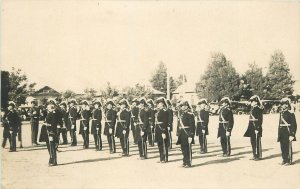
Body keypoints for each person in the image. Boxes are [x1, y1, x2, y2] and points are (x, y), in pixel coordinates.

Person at [278, 98, 297, 166]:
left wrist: (292, 134)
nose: (283, 106)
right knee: (282, 147)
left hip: (288, 132)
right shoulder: (281, 113)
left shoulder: (290, 113)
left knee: (287, 146)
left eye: (285, 104)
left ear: (288, 105)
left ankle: (288, 160)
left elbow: (294, 124)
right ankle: (284, 159)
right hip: (282, 132)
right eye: (282, 104)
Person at [244, 95, 263, 160]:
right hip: (251, 127)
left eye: (252, 102)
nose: (251, 103)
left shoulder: (258, 109)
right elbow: (246, 109)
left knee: (257, 142)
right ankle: (254, 155)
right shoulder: (252, 108)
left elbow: (260, 119)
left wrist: (257, 128)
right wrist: (248, 104)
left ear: (256, 102)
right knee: (252, 142)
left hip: (256, 127)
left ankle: (258, 156)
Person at [176, 100, 195, 168]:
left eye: (184, 106)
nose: (183, 107)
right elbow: (178, 125)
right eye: (182, 106)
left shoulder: (190, 114)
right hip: (182, 133)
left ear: (187, 106)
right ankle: (184, 161)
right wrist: (178, 133)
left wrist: (191, 135)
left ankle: (188, 162)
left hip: (187, 133)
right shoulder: (181, 114)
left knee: (187, 148)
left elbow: (192, 126)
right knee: (183, 148)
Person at [39, 101, 58, 166]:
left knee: (51, 147)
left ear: (51, 108)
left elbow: (53, 125)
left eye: (48, 107)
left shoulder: (53, 114)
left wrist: (51, 134)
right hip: (47, 132)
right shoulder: (50, 113)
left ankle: (53, 161)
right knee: (50, 147)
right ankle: (51, 160)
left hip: (50, 132)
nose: (47, 109)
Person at [154, 97, 169, 163]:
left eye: (159, 104)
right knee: (159, 144)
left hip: (162, 129)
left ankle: (164, 158)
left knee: (163, 144)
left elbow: (165, 122)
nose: (158, 105)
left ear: (163, 104)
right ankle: (161, 158)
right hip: (157, 129)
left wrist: (163, 131)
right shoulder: (158, 111)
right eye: (158, 104)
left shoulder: (165, 111)